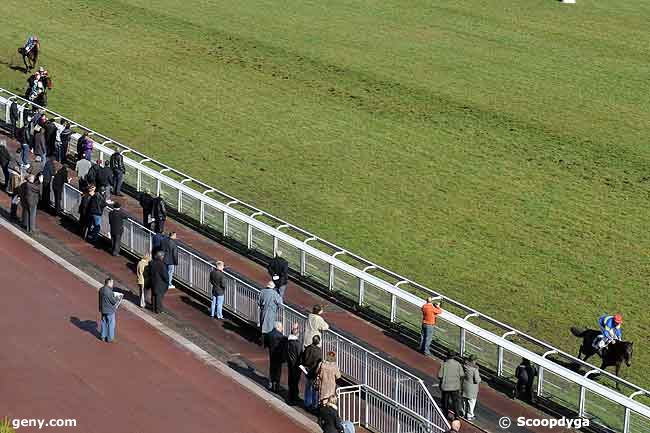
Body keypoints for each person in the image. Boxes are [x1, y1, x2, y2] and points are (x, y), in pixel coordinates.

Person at [300, 335, 323, 412]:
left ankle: (307, 403)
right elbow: (319, 362)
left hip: (308, 371)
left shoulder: (308, 348)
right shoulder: (318, 351)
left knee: (307, 388)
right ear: (318, 342)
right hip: (314, 373)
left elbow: (305, 359)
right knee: (315, 390)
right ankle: (314, 405)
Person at [438, 351, 463, 419]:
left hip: (445, 387)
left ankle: (445, 415)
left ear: (447, 356)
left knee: (445, 401)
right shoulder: (458, 364)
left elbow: (440, 376)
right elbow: (461, 375)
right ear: (454, 356)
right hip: (455, 387)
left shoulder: (443, 364)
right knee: (455, 402)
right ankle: (457, 415)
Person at [258, 281, 283, 347]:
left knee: (263, 327)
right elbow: (280, 303)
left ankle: (262, 343)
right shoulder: (274, 293)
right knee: (270, 328)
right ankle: (268, 344)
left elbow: (259, 302)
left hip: (263, 312)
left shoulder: (262, 291)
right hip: (271, 313)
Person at [98, 277, 120, 343]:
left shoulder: (101, 289)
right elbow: (113, 301)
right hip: (109, 310)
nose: (113, 284)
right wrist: (117, 298)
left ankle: (103, 336)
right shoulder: (109, 291)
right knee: (111, 324)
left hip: (103, 309)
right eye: (112, 282)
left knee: (103, 322)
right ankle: (110, 338)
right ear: (109, 282)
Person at [267, 322, 287, 393]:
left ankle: (270, 384)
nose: (282, 328)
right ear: (278, 327)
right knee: (278, 371)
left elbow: (267, 344)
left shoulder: (269, 334)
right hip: (278, 356)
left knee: (272, 369)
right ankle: (276, 387)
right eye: (281, 327)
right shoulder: (281, 337)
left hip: (272, 354)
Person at [286, 323, 302, 405]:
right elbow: (299, 355)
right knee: (295, 382)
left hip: (290, 363)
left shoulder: (288, 341)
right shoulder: (297, 344)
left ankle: (291, 396)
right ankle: (293, 398)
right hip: (296, 365)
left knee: (291, 380)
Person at [462, 355, 481, 420]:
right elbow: (477, 380)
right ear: (474, 361)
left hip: (464, 386)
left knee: (464, 401)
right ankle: (470, 415)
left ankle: (464, 413)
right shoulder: (474, 370)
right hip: (472, 388)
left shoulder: (464, 366)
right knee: (471, 402)